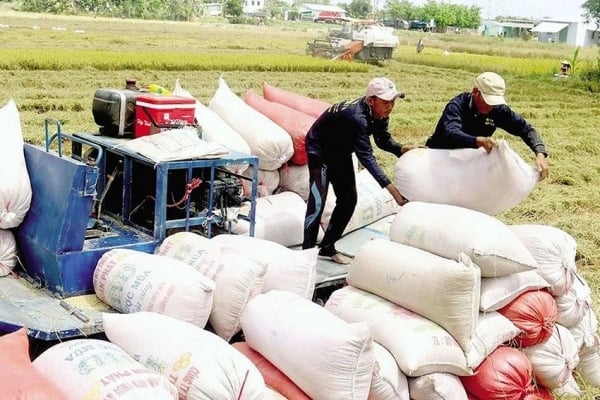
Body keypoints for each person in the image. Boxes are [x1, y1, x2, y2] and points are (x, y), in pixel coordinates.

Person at [302, 77, 417, 264]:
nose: (391, 106)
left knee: (349, 199)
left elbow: (382, 140)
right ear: (371, 100)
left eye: (393, 101)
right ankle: (306, 254)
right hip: (320, 149)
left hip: (340, 151)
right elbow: (367, 158)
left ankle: (327, 246)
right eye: (386, 102)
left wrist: (401, 149)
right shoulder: (357, 118)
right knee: (318, 200)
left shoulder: (379, 114)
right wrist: (392, 190)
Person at [425, 71, 549, 180]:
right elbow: (451, 132)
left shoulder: (498, 110)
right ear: (475, 92)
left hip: (469, 163)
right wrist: (477, 141)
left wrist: (540, 153)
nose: (491, 106)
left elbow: (525, 129)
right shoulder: (457, 105)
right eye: (487, 100)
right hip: (440, 156)